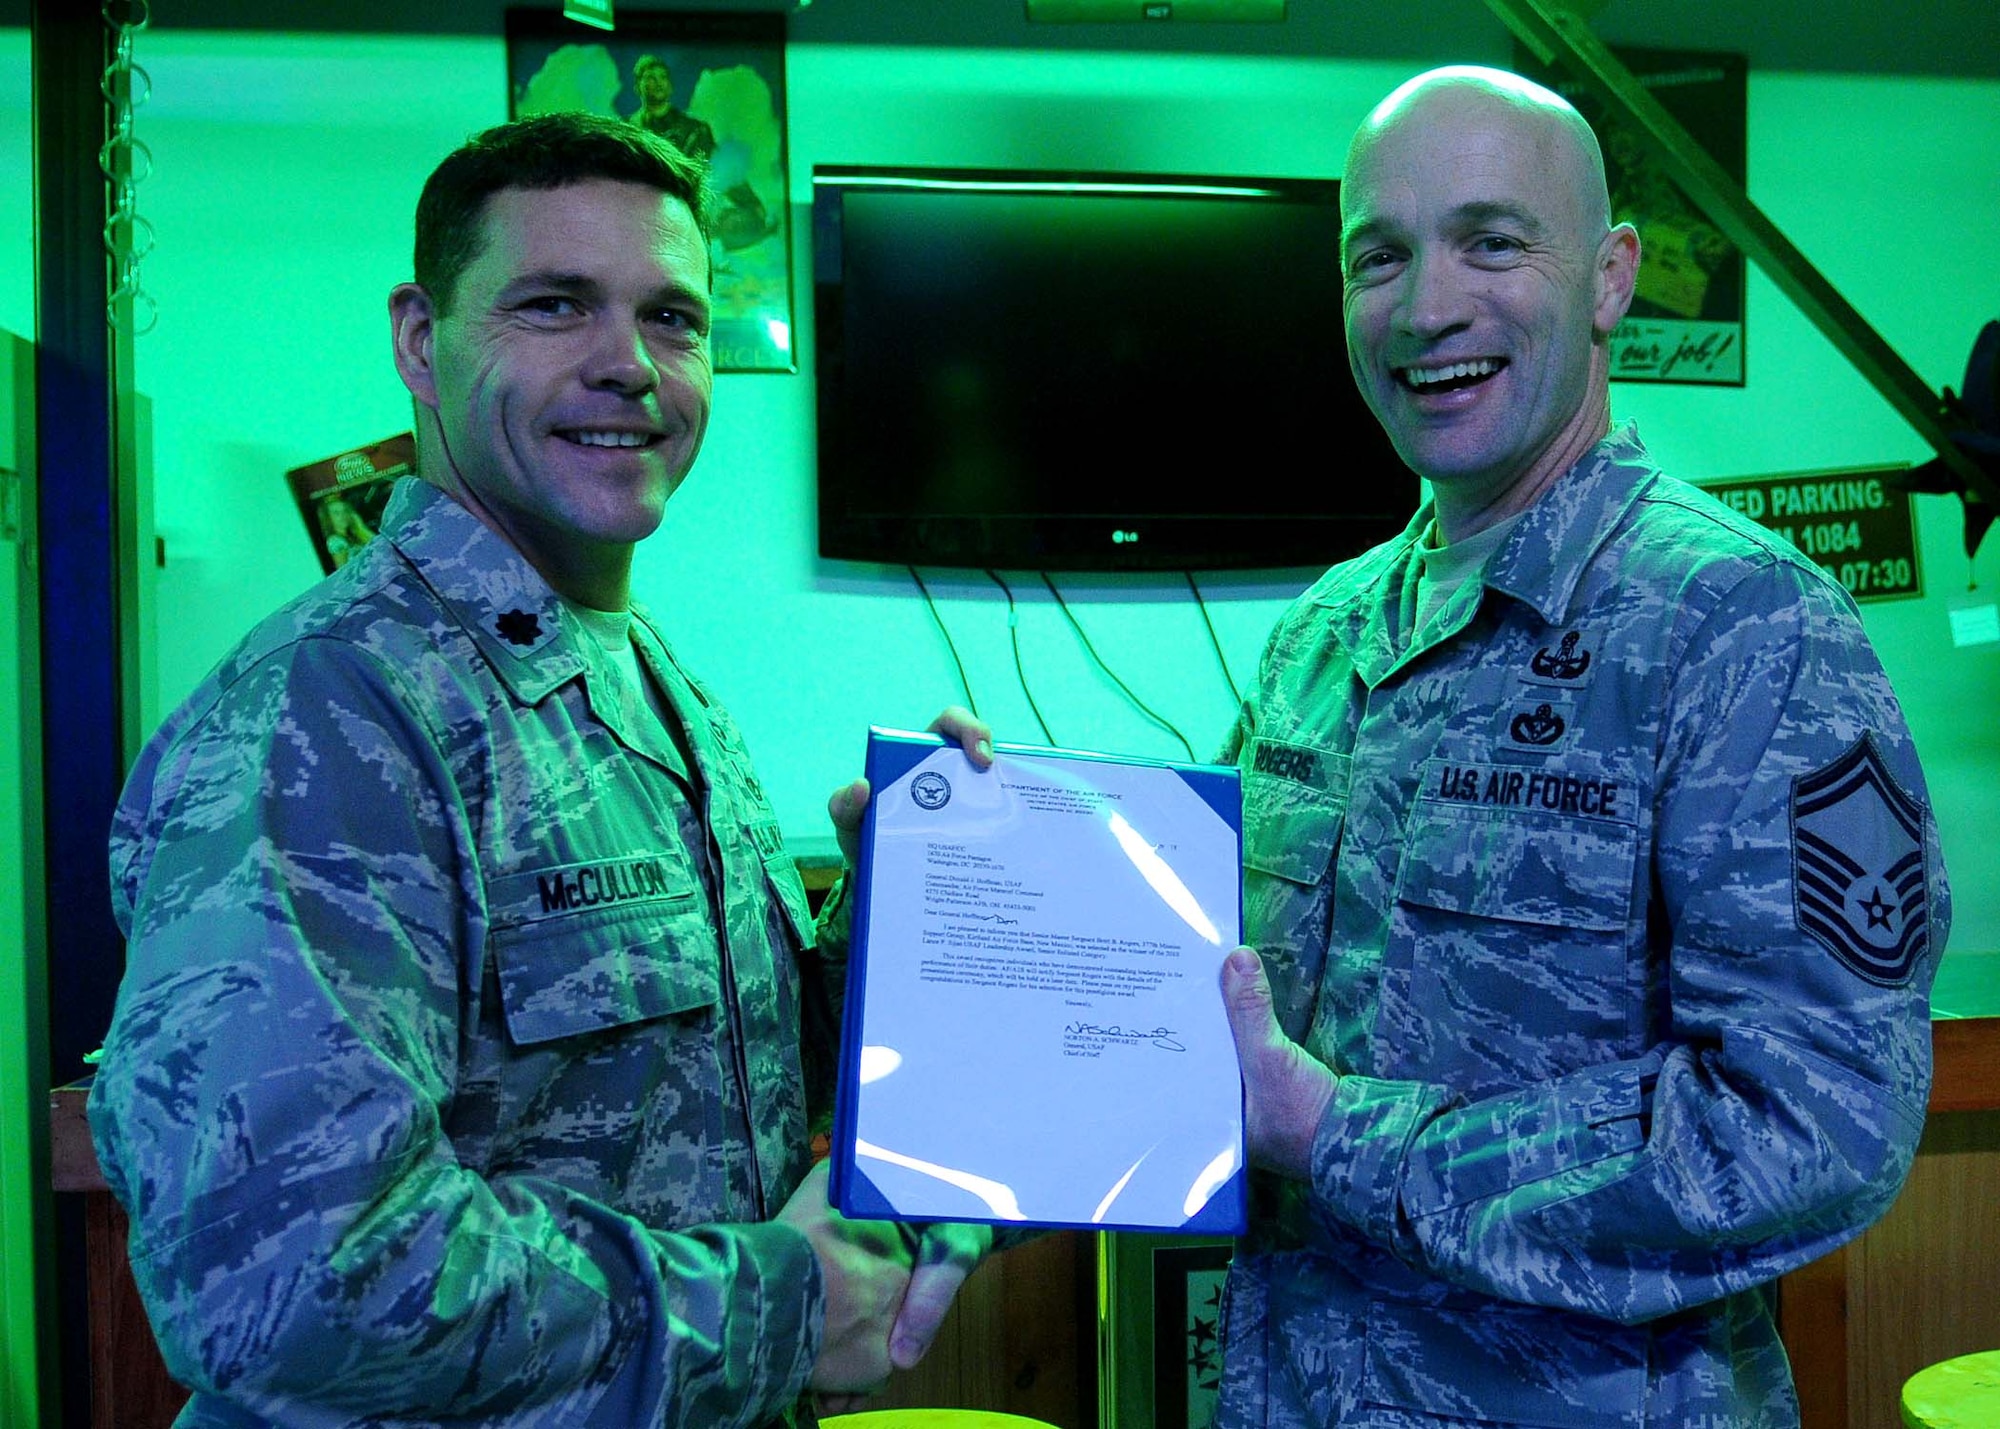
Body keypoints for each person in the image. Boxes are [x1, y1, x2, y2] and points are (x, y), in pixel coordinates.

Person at [87, 111, 990, 1428]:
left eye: (672, 318)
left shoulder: (647, 682)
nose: (628, 364)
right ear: (420, 340)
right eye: (555, 304)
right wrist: (779, 1302)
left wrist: (910, 918)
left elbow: (703, 1085)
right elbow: (291, 1282)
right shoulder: (330, 713)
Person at [1216, 66, 1948, 1426]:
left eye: (1492, 242)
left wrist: (1340, 1136)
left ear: (1612, 278)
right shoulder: (1318, 640)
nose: (1426, 308)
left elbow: (1817, 1116)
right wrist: (955, 868)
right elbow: (1207, 1004)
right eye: (1380, 257)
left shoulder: (1745, 626)